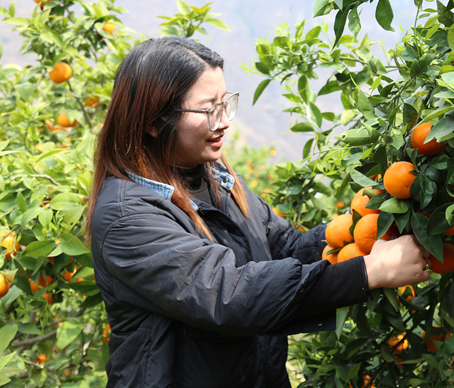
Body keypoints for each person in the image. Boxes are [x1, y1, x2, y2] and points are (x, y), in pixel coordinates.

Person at [86, 36, 431, 388]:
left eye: (226, 104)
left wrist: (375, 221)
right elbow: (228, 294)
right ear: (153, 122)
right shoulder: (125, 215)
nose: (224, 122)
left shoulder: (217, 178)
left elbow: (285, 250)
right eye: (208, 110)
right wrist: (367, 271)